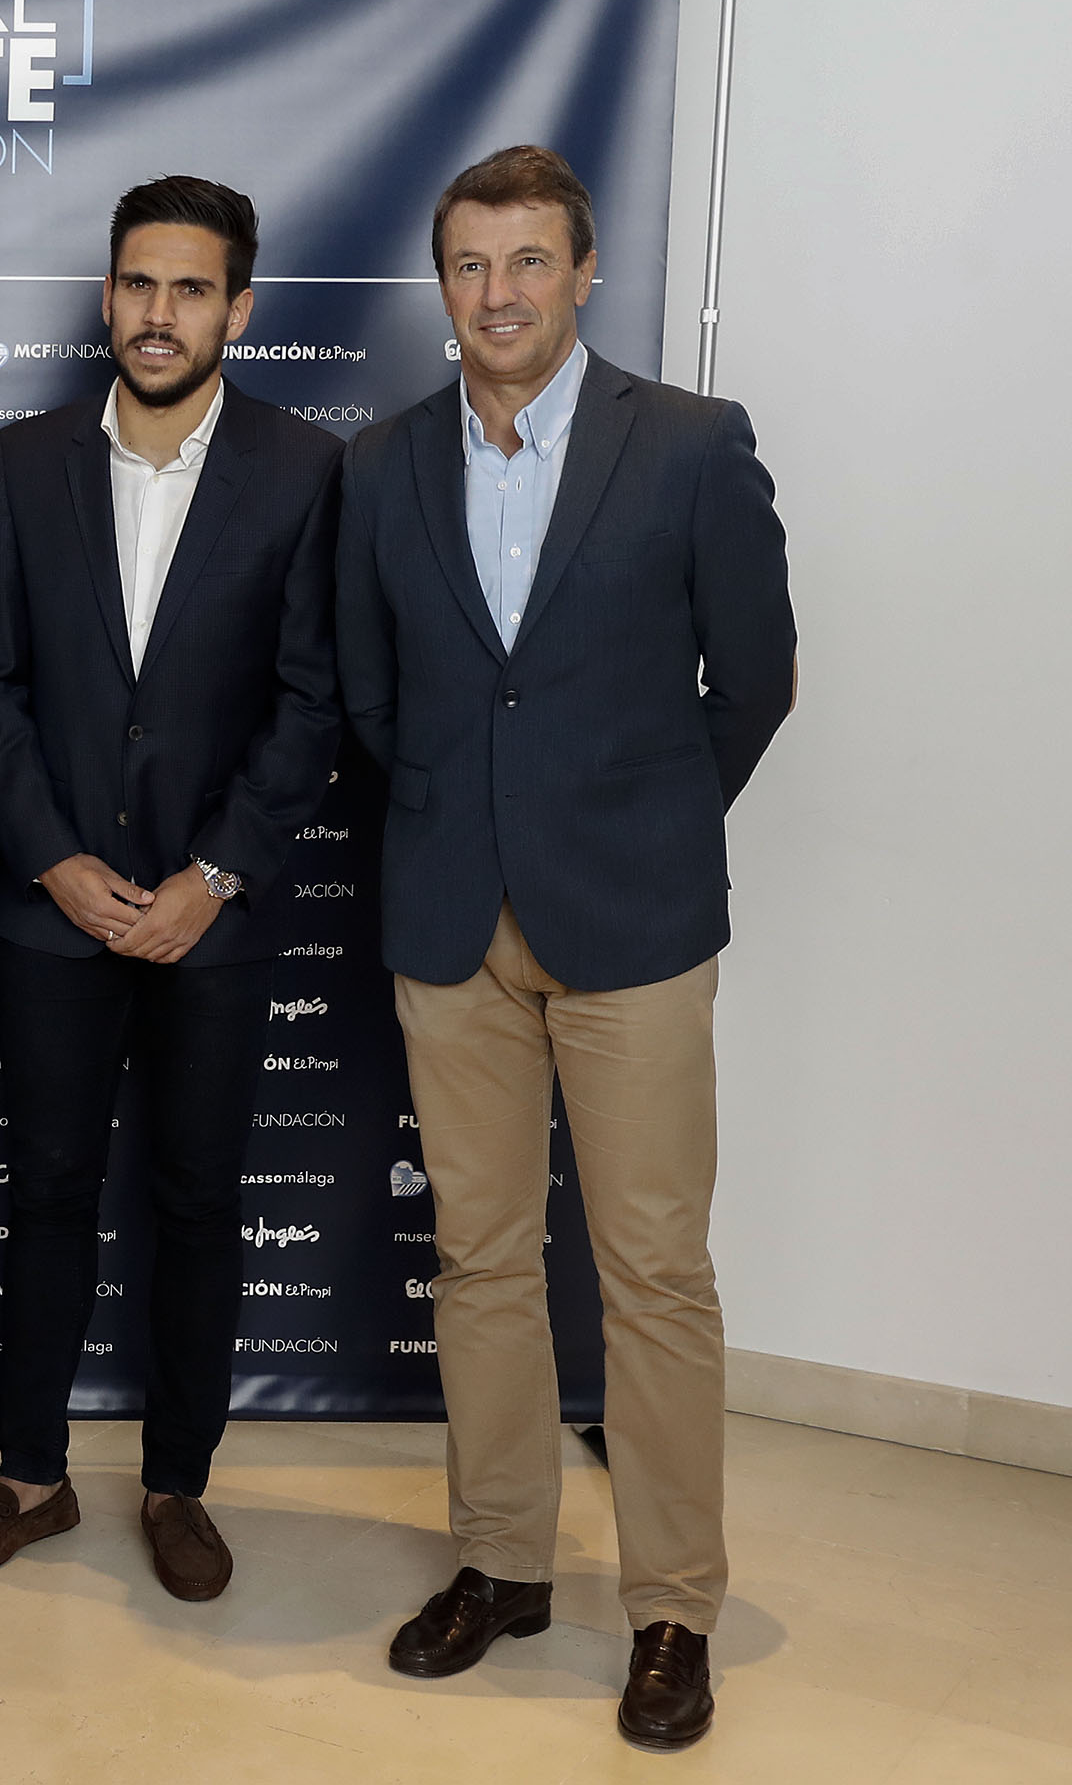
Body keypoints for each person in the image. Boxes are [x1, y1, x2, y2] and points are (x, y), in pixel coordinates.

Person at [339, 145, 794, 1752]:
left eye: (530, 261)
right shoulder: (383, 464)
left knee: (653, 1272)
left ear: (584, 272)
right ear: (443, 284)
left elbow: (755, 679)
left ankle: (673, 1607)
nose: (500, 293)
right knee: (479, 1259)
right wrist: (484, 822)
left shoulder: (690, 445)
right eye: (472, 264)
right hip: (451, 921)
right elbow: (373, 697)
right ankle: (502, 1562)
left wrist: (637, 819)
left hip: (634, 925)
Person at [0, 177, 343, 1599]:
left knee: (196, 1201)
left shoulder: (305, 468)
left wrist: (213, 875)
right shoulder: (25, 459)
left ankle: (180, 1487)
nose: (158, 314)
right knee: (47, 1192)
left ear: (239, 308)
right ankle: (29, 1478)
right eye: (136, 284)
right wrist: (53, 858)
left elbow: (312, 700)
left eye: (189, 289)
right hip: (55, 911)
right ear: (107, 296)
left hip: (211, 920)